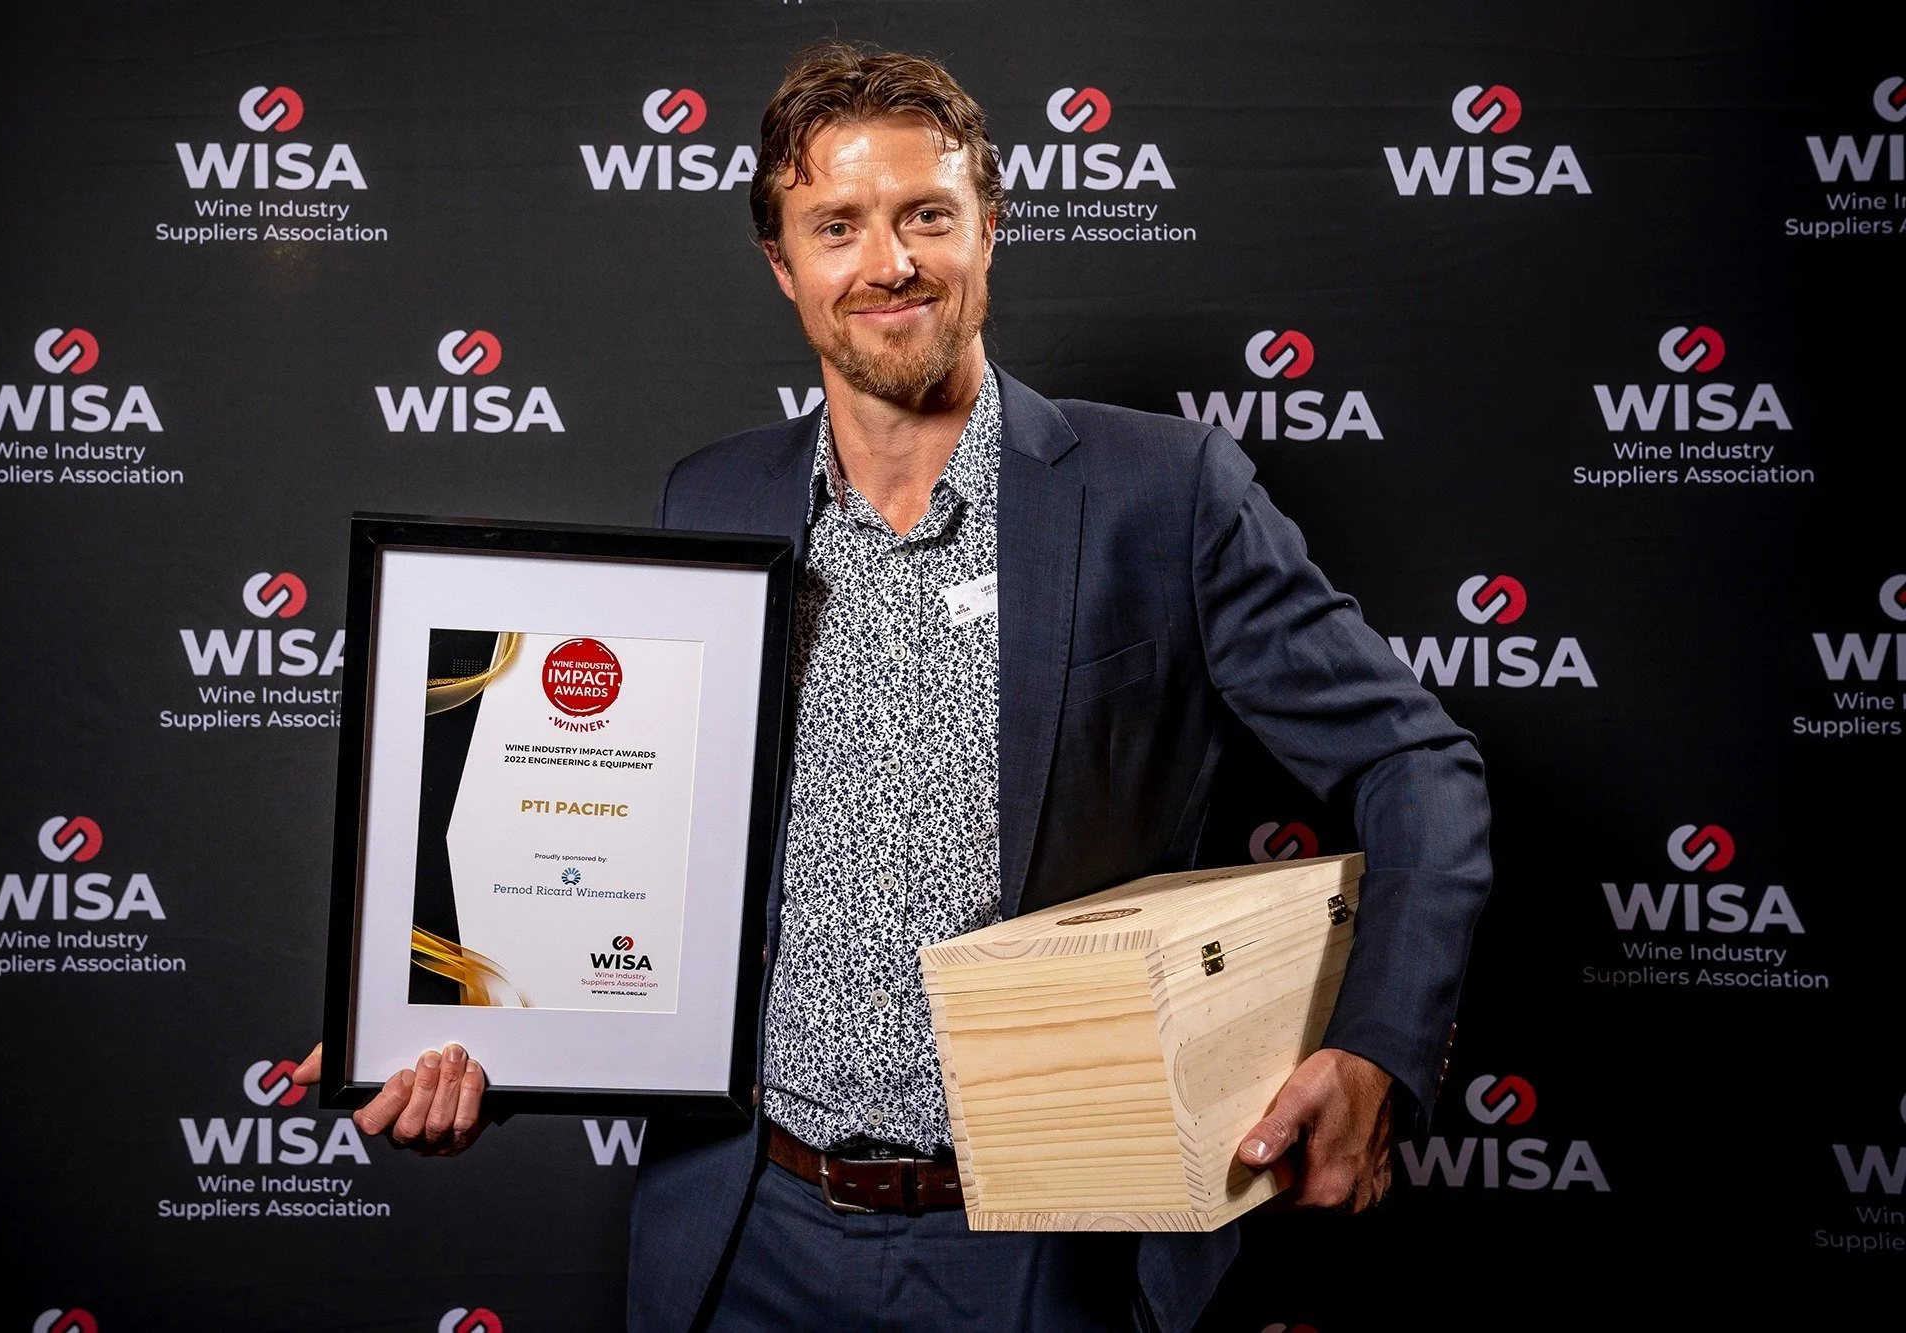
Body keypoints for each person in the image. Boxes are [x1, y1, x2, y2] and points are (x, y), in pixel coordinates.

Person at [297, 41, 1491, 1332]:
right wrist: (478, 1035)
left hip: (1051, 1238)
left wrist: (1375, 1055)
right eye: (838, 225)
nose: (890, 263)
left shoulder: (1166, 491)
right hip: (748, 1226)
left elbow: (1417, 768)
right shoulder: (714, 501)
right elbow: (633, 855)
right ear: (784, 264)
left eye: (928, 213)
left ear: (990, 228)